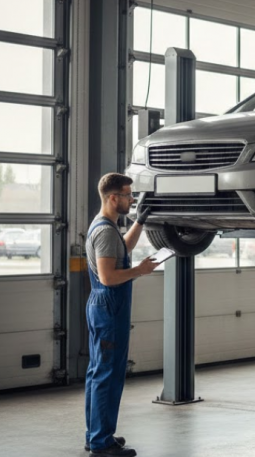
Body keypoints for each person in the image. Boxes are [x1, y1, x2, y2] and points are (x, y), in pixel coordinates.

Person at [84, 173, 158, 456]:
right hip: (108, 307)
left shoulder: (107, 226)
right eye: (128, 195)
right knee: (107, 375)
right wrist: (141, 270)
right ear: (113, 197)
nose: (131, 200)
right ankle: (101, 444)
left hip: (104, 307)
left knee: (98, 373)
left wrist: (139, 221)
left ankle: (97, 437)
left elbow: (122, 249)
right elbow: (108, 277)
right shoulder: (104, 231)